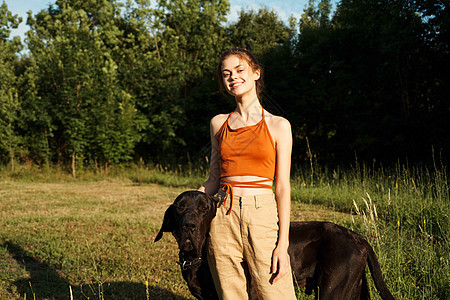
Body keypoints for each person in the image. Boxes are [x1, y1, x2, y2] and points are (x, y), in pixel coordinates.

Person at [198, 48, 297, 300]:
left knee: (276, 292)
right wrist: (189, 202)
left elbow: (282, 187)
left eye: (240, 70)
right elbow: (213, 179)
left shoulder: (278, 125)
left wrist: (282, 245)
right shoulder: (218, 123)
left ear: (256, 73)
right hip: (222, 215)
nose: (233, 77)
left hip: (261, 214)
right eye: (226, 74)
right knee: (230, 295)